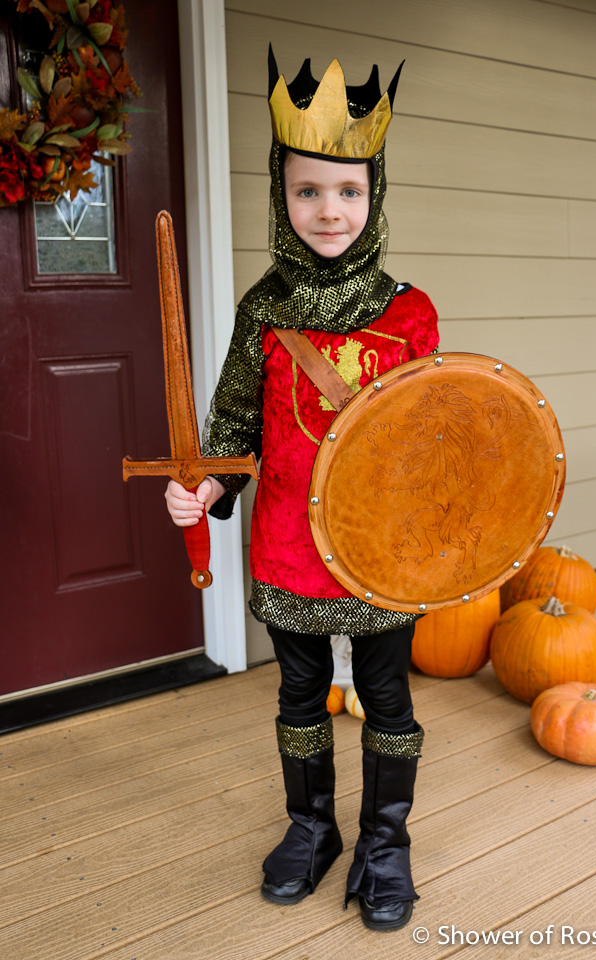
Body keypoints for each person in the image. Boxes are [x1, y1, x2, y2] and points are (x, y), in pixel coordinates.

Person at [165, 47, 439, 932]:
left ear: (375, 193)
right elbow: (236, 426)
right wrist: (205, 488)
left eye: (349, 191)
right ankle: (310, 827)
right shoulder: (261, 308)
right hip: (287, 539)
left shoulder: (409, 312)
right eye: (308, 191)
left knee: (389, 698)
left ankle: (385, 842)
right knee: (297, 692)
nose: (330, 210)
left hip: (381, 550)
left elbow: (437, 437)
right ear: (280, 196)